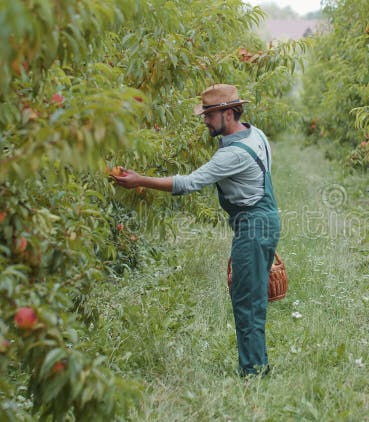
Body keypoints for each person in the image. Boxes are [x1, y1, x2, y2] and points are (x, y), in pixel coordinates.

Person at [112, 84, 281, 377]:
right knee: (252, 295)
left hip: (254, 224)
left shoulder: (232, 155)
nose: (204, 120)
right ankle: (258, 363)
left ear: (229, 113)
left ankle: (253, 371)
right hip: (264, 218)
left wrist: (140, 180)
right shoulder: (256, 134)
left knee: (246, 299)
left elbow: (189, 183)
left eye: (209, 115)